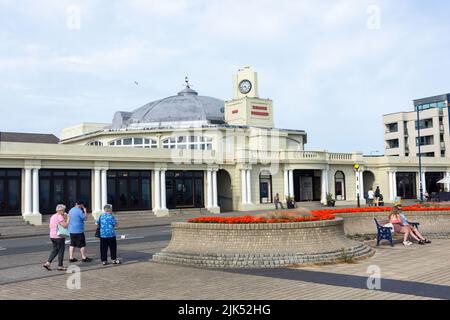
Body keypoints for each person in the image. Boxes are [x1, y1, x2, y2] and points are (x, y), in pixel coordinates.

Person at [43, 204, 69, 271]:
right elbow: (65, 225)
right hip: (59, 236)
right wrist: (68, 219)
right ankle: (60, 266)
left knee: (55, 250)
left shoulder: (53, 216)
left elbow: (50, 226)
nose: (64, 212)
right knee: (61, 251)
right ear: (61, 210)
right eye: (64, 210)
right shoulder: (59, 216)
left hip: (52, 236)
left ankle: (47, 263)